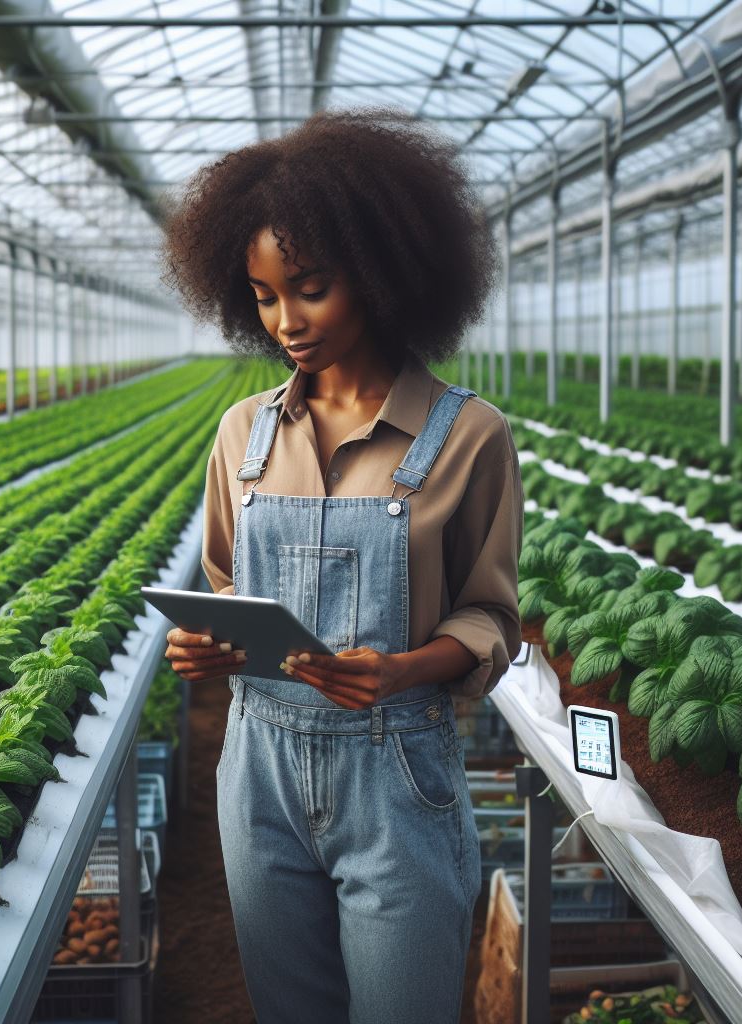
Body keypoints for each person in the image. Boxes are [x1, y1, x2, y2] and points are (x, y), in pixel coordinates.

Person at [159, 106, 523, 1024]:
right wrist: (211, 648)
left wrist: (404, 669)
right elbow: (228, 591)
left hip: (397, 776)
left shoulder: (467, 436)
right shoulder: (242, 434)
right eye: (263, 295)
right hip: (258, 771)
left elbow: (490, 620)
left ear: (380, 272)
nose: (285, 320)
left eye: (309, 288)